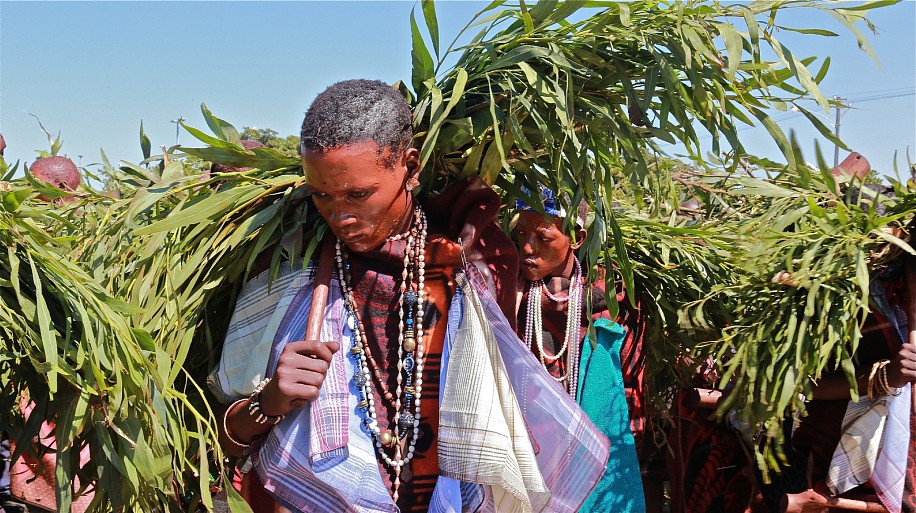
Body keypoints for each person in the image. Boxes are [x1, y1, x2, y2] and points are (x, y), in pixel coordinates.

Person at [208, 79, 610, 513]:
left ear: (411, 167)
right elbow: (223, 441)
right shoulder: (289, 269)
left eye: (358, 195)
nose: (340, 217)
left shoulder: (472, 265)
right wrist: (269, 402)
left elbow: (503, 421)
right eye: (322, 195)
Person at [512, 190, 648, 513]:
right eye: (521, 234)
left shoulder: (610, 299)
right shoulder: (506, 289)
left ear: (576, 237)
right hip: (522, 458)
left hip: (585, 463)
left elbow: (630, 389)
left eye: (543, 237)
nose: (528, 248)